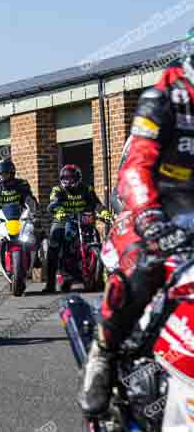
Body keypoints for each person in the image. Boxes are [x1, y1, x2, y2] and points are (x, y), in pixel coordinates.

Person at [79, 38, 194, 417]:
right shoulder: (162, 99)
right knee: (143, 266)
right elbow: (135, 168)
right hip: (149, 206)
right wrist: (149, 217)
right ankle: (104, 354)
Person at [44, 164, 110, 293]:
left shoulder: (86, 189)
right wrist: (58, 211)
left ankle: (99, 278)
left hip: (83, 220)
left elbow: (96, 203)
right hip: (63, 220)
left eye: (71, 178)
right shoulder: (58, 190)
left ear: (78, 178)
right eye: (65, 178)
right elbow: (53, 203)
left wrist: (104, 213)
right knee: (54, 245)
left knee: (96, 235)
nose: (68, 181)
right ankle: (50, 283)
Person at [0, 158, 38, 296]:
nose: (3, 176)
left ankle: (39, 260)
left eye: (6, 173)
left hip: (18, 218)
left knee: (36, 234)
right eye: (0, 174)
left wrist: (33, 209)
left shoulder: (22, 184)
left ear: (12, 173)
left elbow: (29, 199)